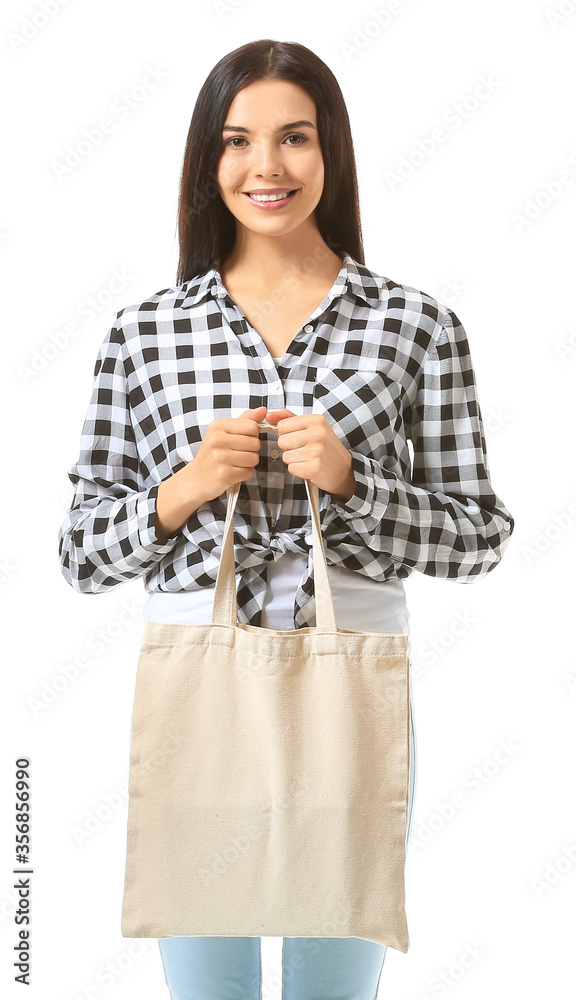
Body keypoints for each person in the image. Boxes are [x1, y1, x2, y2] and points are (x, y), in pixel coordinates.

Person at [57, 37, 515, 1000]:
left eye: (295, 138)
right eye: (237, 141)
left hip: (350, 670)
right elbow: (79, 553)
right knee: (208, 985)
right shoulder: (146, 330)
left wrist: (357, 484)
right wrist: (180, 491)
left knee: (332, 985)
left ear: (332, 151)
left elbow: (480, 534)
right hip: (197, 684)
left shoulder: (414, 324)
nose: (266, 169)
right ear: (206, 159)